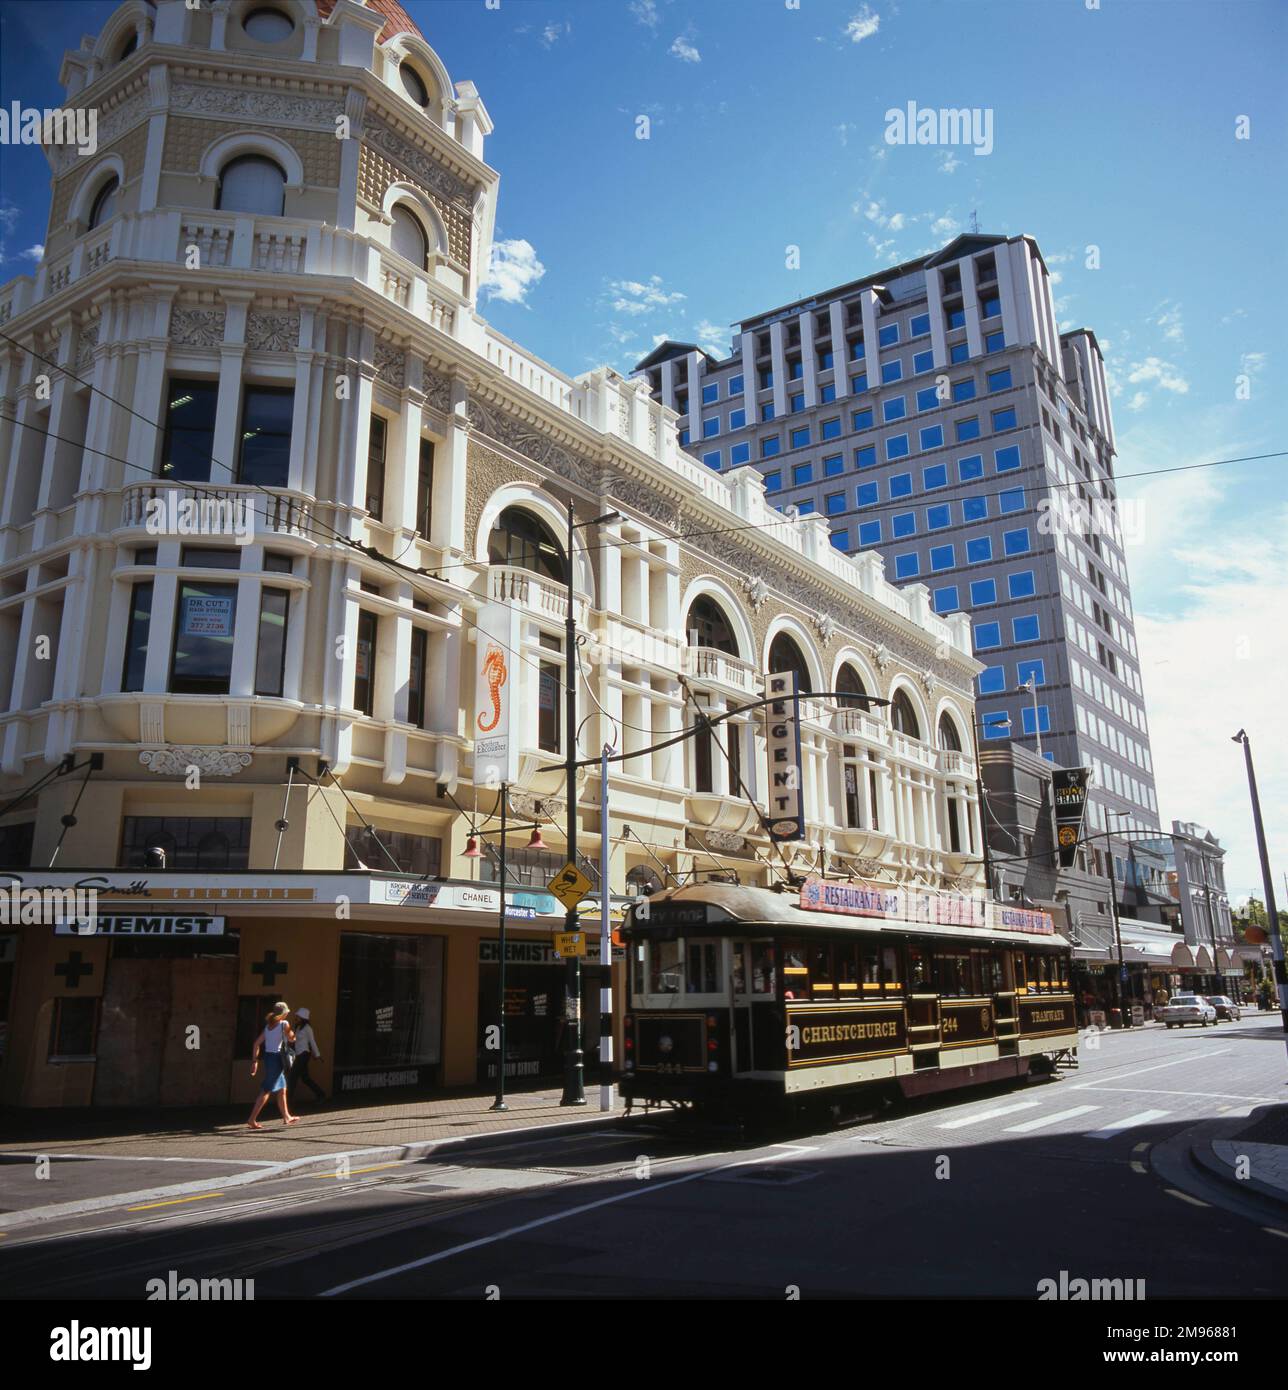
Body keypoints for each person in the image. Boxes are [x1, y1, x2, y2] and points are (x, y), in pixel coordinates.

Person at [247, 1002, 299, 1129]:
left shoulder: (268, 1026)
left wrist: (255, 1062)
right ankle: (251, 1119)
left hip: (269, 1058)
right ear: (284, 1013)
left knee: (282, 1089)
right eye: (287, 1012)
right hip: (276, 1059)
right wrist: (293, 1034)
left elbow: (256, 1044)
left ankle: (287, 1117)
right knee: (266, 1090)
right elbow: (292, 1038)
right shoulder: (284, 1024)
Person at [288, 1006, 327, 1106]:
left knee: (293, 1076)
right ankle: (321, 1094)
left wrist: (317, 1055)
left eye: (298, 1016)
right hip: (298, 1055)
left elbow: (312, 1042)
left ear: (303, 1017)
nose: (296, 1017)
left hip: (304, 1055)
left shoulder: (308, 1028)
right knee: (305, 1078)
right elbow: (294, 1040)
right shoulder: (297, 1027)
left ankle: (287, 1102)